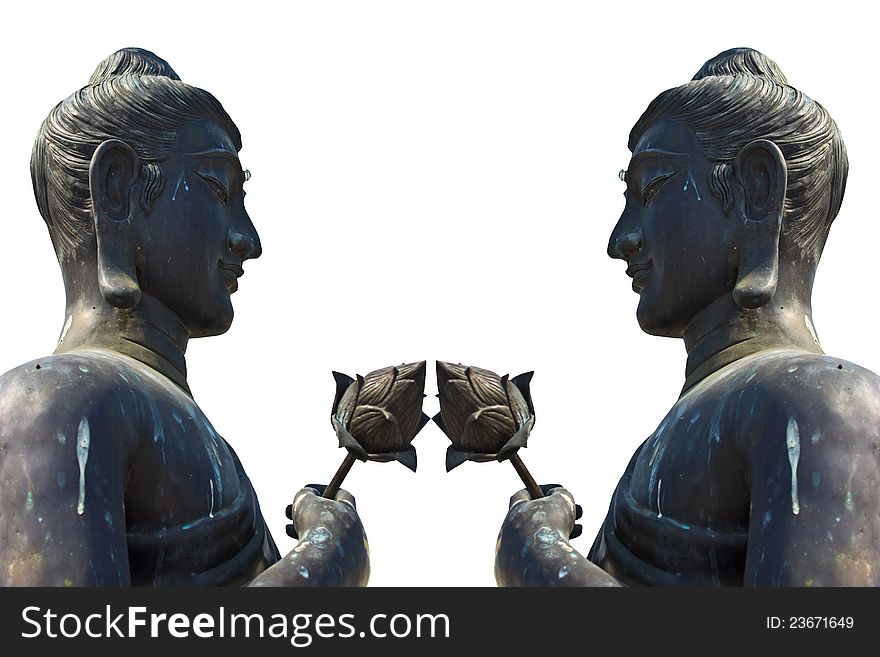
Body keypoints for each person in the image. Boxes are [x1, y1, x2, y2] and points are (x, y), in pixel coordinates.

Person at [494, 48, 880, 586]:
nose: (620, 239)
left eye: (651, 190)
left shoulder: (823, 402)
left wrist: (538, 557)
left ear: (756, 190)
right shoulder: (670, 440)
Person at [0, 48, 369, 586]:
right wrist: (326, 561)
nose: (249, 239)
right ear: (118, 191)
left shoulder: (203, 441)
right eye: (219, 190)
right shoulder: (54, 402)